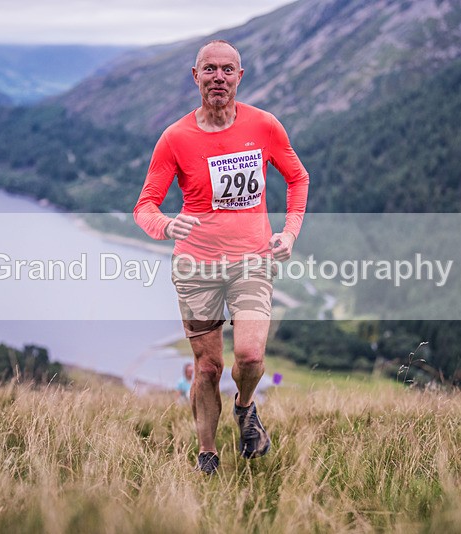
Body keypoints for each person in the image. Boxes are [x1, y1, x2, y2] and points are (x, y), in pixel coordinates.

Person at [133, 40, 309, 475]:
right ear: (195, 77)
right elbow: (145, 206)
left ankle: (245, 407)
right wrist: (166, 226)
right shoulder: (175, 137)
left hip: (252, 261)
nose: (218, 77)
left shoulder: (265, 126)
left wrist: (289, 234)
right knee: (208, 367)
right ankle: (208, 454)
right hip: (196, 268)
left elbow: (298, 177)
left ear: (240, 77)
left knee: (249, 357)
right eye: (209, 69)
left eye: (227, 70)